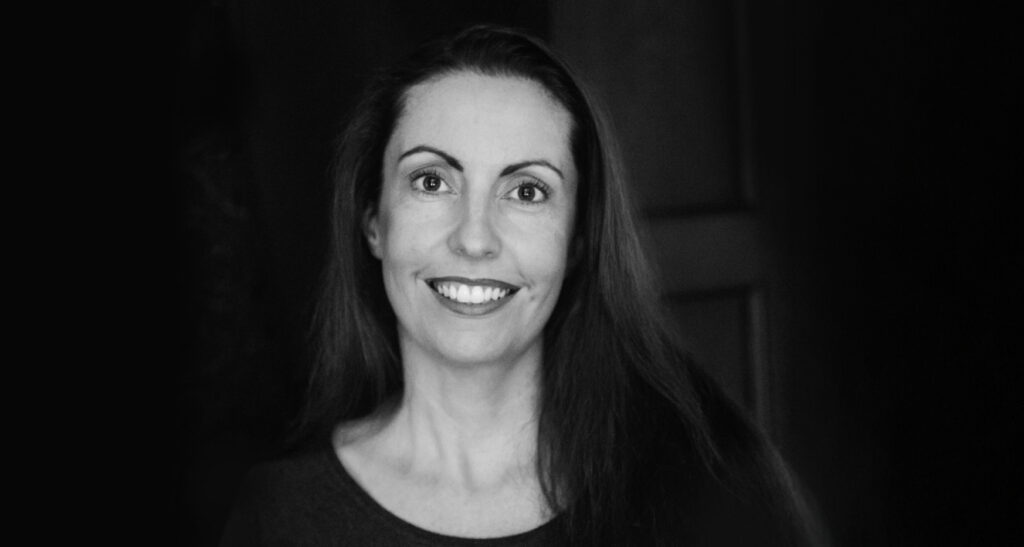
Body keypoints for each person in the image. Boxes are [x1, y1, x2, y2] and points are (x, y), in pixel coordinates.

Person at [221, 25, 825, 546]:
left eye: (527, 191)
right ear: (374, 221)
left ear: (578, 241)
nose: (475, 238)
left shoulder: (708, 487)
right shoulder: (281, 516)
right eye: (432, 182)